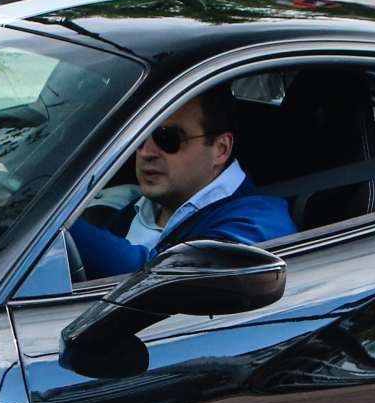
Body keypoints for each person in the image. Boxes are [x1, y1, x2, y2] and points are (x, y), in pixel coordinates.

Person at [66, 88, 295, 280]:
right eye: (138, 136)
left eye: (168, 138)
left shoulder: (259, 223)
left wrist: (59, 224)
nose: (146, 151)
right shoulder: (138, 208)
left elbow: (162, 278)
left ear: (220, 149)